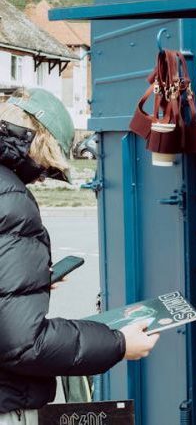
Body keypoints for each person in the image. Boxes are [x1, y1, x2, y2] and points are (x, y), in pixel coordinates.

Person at [0, 88, 159, 425]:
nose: (42, 179)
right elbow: (24, 344)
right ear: (41, 144)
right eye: (47, 169)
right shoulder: (11, 198)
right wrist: (117, 343)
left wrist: (28, 283)